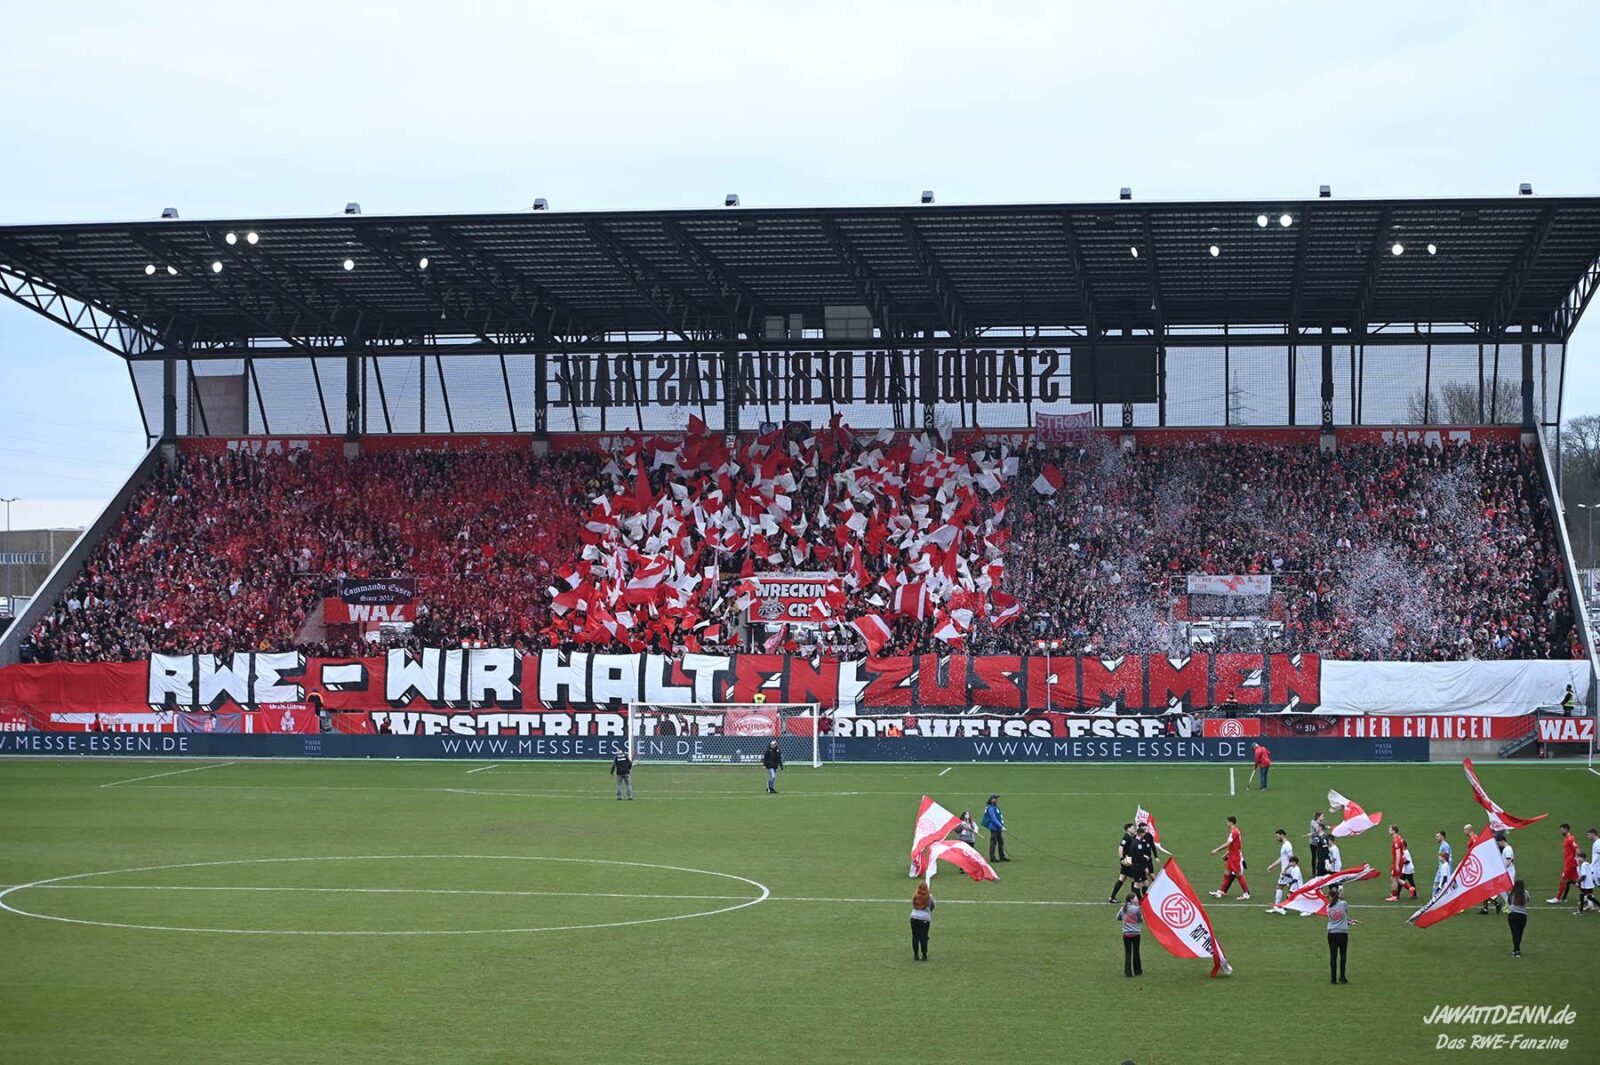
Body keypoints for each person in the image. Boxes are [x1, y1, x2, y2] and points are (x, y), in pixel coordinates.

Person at [1208, 816, 1251, 900]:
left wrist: (1216, 850)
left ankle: (1246, 894)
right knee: (1226, 874)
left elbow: (1228, 844)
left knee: (1239, 876)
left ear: (1231, 822)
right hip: (1231, 857)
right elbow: (1233, 846)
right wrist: (1227, 854)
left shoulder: (1234, 832)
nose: (1226, 824)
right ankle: (1221, 891)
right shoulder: (1235, 831)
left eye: (1227, 822)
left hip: (1235, 858)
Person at [1326, 885, 1358, 983]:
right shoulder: (1344, 904)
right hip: (1343, 933)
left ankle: (1333, 978)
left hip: (1332, 933)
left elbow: (1335, 918)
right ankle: (1342, 976)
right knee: (1343, 955)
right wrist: (1349, 922)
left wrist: (1348, 921)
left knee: (1333, 956)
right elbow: (1344, 915)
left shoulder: (1328, 907)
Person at [1116, 886, 1144, 977]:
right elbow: (1140, 920)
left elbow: (1118, 917)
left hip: (1126, 934)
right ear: (1132, 900)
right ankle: (1137, 970)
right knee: (1136, 952)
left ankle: (1128, 972)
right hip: (1136, 933)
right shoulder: (1137, 909)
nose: (1137, 898)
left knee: (1128, 953)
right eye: (1135, 897)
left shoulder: (1123, 908)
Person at [1548, 823, 1579, 904]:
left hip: (1570, 864)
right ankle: (1588, 896)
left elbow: (1577, 849)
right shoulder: (1567, 838)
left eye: (1561, 830)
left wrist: (1579, 861)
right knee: (1576, 881)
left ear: (1566, 829)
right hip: (1570, 863)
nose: (1560, 831)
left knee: (1563, 880)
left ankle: (1558, 898)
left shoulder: (1570, 839)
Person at [1109, 822, 1138, 903]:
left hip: (1128, 860)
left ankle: (1112, 897)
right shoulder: (1126, 837)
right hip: (1128, 860)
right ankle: (1132, 899)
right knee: (1133, 879)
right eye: (1132, 828)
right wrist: (1121, 858)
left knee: (1122, 878)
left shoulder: (1131, 836)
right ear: (1128, 829)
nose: (1134, 829)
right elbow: (1120, 848)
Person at [1267, 828, 1294, 913]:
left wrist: (1286, 869)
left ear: (1282, 835)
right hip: (1287, 871)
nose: (1276, 838)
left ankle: (1277, 907)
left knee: (1279, 887)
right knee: (1293, 889)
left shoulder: (1287, 845)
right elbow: (1282, 858)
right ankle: (1279, 907)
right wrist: (1272, 865)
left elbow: (1291, 858)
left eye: (1277, 836)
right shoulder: (1285, 845)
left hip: (1287, 871)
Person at [1386, 826, 1415, 901]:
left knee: (1393, 879)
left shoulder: (1396, 841)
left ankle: (1394, 896)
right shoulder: (1399, 838)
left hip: (1397, 861)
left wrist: (1396, 865)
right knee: (1396, 878)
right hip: (1400, 861)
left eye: (1390, 829)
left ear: (1394, 831)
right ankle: (1410, 888)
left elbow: (1398, 853)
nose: (1388, 831)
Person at [909, 882, 934, 961]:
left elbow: (913, 905)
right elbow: (932, 906)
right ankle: (924, 955)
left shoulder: (915, 896)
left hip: (914, 917)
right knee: (924, 936)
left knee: (915, 936)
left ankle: (916, 955)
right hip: (925, 919)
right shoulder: (929, 897)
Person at [983, 794, 1008, 862]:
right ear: (992, 800)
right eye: (995, 798)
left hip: (998, 828)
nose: (997, 800)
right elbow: (993, 819)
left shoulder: (995, 807)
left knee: (1001, 842)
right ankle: (992, 857)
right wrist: (1001, 826)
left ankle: (1002, 856)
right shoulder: (991, 808)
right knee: (993, 843)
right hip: (994, 828)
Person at [1507, 879, 1529, 956]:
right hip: (1522, 915)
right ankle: (1517, 949)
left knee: (1514, 933)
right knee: (1519, 933)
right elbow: (1528, 900)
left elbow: (1509, 902)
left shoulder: (1511, 893)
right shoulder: (1525, 893)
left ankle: (1516, 950)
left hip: (1512, 915)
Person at [1307, 813, 1330, 877]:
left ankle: (1320, 870)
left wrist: (1325, 827)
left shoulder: (1321, 822)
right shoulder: (1313, 822)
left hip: (1319, 843)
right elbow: (1318, 829)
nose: (1323, 817)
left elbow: (1321, 828)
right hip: (1313, 843)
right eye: (1322, 816)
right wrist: (1326, 827)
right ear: (1318, 817)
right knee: (1314, 857)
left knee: (1320, 857)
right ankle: (1314, 872)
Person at [1433, 831, 1453, 897]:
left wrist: (1444, 863)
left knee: (1439, 885)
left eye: (1438, 836)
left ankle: (1435, 901)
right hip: (1441, 868)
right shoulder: (1443, 845)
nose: (1436, 838)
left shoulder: (1445, 846)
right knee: (1437, 885)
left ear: (1442, 836)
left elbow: (1447, 856)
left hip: (1444, 869)